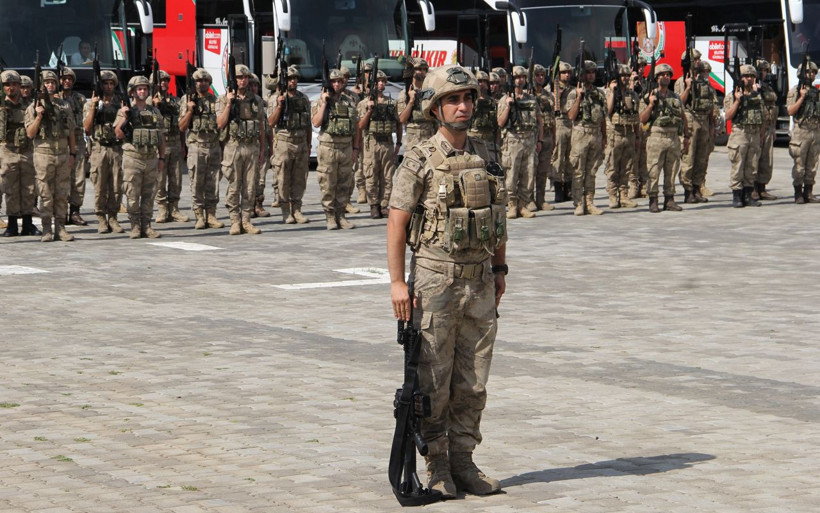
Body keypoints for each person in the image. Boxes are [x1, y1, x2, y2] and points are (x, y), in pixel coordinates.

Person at [387, 64, 507, 499]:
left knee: (473, 382)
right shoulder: (419, 159)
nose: (463, 106)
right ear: (435, 108)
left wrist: (499, 269)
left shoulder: (486, 154)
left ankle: (464, 462)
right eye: (453, 100)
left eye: (468, 98)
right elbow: (397, 222)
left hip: (479, 282)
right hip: (435, 281)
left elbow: (498, 218)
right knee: (433, 381)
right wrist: (397, 283)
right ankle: (437, 465)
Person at [25, 70, 76, 242]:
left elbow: (71, 131)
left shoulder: (64, 106)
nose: (50, 85)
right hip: (43, 154)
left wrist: (72, 153)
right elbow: (30, 133)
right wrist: (39, 116)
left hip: (62, 154)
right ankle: (46, 228)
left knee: (62, 193)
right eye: (46, 82)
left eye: (52, 82)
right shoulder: (33, 107)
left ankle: (60, 228)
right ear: (41, 86)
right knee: (45, 194)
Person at [217, 64, 267, 235]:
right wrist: (229, 104)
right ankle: (234, 221)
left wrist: (262, 150)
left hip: (252, 147)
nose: (243, 81)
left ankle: (246, 221)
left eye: (246, 78)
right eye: (239, 77)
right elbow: (220, 123)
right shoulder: (223, 99)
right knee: (234, 186)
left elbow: (261, 126)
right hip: (234, 147)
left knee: (250, 187)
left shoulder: (256, 100)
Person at [114, 75, 166, 238]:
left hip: (150, 157)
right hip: (133, 158)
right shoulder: (125, 111)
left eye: (144, 89)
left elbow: (161, 137)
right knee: (132, 194)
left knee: (149, 194)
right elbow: (118, 134)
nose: (142, 91)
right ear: (132, 92)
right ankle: (135, 226)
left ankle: (147, 226)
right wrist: (125, 117)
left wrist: (162, 158)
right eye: (139, 89)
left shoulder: (155, 111)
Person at [311, 68, 360, 230]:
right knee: (327, 183)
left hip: (346, 147)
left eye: (339, 81)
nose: (337, 84)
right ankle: (330, 216)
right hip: (328, 147)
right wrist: (325, 102)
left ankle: (341, 215)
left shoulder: (349, 102)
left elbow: (356, 127)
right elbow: (316, 122)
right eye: (333, 81)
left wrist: (355, 148)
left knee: (344, 183)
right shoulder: (320, 101)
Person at [639, 63, 690, 213]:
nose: (666, 77)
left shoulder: (675, 97)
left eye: (668, 75)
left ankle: (669, 199)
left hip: (673, 137)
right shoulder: (649, 96)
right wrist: (650, 105)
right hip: (656, 136)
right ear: (656, 78)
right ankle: (653, 199)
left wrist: (686, 136)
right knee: (653, 170)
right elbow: (642, 119)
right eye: (662, 75)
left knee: (672, 170)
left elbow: (683, 117)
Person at [178, 68, 224, 229]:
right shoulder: (187, 100)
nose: (202, 83)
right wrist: (190, 110)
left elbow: (221, 124)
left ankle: (211, 215)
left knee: (213, 183)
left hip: (214, 146)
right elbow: (182, 126)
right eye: (199, 81)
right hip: (196, 146)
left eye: (205, 81)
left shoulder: (216, 100)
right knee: (197, 182)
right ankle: (199, 216)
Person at [497, 65, 543, 219]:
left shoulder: (531, 99)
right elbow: (500, 122)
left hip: (529, 141)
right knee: (511, 176)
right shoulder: (505, 99)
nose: (520, 80)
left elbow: (539, 121)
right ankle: (512, 205)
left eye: (523, 77)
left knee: (528, 175)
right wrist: (508, 106)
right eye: (517, 77)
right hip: (513, 141)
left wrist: (539, 140)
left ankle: (523, 205)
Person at [267, 65, 311, 224]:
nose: (293, 81)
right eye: (289, 79)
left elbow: (308, 124)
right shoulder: (276, 98)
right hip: (284, 142)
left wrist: (308, 144)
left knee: (300, 179)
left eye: (295, 79)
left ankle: (297, 209)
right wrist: (280, 106)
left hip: (301, 142)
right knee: (283, 178)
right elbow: (271, 122)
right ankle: (286, 211)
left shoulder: (303, 99)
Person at [84, 69, 126, 234]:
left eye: (111, 83)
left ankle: (113, 217)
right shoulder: (91, 103)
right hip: (99, 148)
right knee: (100, 185)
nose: (108, 86)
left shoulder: (120, 102)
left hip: (116, 148)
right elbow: (87, 128)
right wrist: (94, 107)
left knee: (116, 185)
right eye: (105, 83)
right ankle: (101, 218)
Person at [357, 69, 401, 219]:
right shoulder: (364, 103)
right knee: (371, 175)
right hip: (371, 143)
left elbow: (398, 123)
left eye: (383, 81)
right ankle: (374, 205)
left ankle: (384, 205)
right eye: (378, 81)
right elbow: (361, 126)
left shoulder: (392, 103)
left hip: (387, 142)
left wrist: (398, 143)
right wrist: (369, 110)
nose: (381, 84)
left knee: (387, 176)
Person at [1, 70, 39, 237]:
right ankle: (12, 224)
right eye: (7, 85)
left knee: (29, 188)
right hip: (7, 150)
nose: (11, 87)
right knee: (11, 188)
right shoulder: (2, 106)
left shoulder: (29, 105)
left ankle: (28, 223)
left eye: (14, 84)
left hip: (27, 150)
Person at [676, 52, 717, 204]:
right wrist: (688, 88)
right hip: (690, 119)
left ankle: (697, 188)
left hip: (704, 120)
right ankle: (688, 191)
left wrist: (712, 124)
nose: (698, 61)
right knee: (689, 157)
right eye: (695, 59)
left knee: (701, 157)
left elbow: (710, 102)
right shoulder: (682, 81)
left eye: (699, 59)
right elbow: (679, 103)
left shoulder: (704, 81)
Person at [567, 60, 607, 215]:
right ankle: (579, 203)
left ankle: (589, 202)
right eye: (588, 72)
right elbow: (571, 116)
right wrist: (579, 98)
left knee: (592, 171)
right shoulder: (574, 93)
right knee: (578, 170)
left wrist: (604, 137)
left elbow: (603, 118)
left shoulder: (599, 94)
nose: (591, 75)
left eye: (593, 72)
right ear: (582, 75)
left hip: (595, 134)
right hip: (580, 134)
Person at [724, 65, 764, 208]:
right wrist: (737, 101)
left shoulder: (757, 95)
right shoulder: (732, 95)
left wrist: (761, 134)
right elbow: (728, 116)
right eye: (746, 76)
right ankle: (737, 196)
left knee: (752, 166)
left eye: (752, 76)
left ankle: (748, 195)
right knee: (738, 165)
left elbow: (763, 116)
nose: (749, 79)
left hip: (754, 133)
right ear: (740, 79)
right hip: (740, 133)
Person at [604, 64, 640, 209]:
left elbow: (636, 117)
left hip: (629, 133)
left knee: (626, 167)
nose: (625, 78)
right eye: (622, 76)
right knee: (612, 167)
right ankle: (613, 196)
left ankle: (624, 196)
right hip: (615, 133)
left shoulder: (633, 95)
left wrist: (637, 136)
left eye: (627, 76)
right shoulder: (610, 92)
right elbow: (608, 111)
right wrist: (613, 92)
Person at [58, 66, 89, 226]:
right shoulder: (55, 98)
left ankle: (75, 211)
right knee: (62, 179)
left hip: (77, 141)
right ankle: (61, 211)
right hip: (61, 142)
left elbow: (86, 121)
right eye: (64, 78)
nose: (67, 81)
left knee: (78, 178)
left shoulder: (80, 99)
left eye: (70, 79)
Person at [785, 60, 820, 203]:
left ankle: (809, 192)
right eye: (808, 72)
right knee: (799, 164)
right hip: (801, 131)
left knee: (812, 165)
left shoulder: (816, 92)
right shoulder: (795, 91)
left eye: (813, 72)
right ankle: (798, 193)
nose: (811, 75)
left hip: (815, 131)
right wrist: (802, 97)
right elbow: (790, 111)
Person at [398, 58, 436, 153]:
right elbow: (401, 119)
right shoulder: (405, 93)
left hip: (430, 136)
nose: (422, 72)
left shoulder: (431, 92)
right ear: (412, 71)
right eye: (418, 69)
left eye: (424, 69)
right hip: (413, 139)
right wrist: (411, 101)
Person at [753, 59, 779, 201]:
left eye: (765, 70)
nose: (763, 73)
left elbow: (773, 108)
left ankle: (762, 188)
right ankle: (753, 189)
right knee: (754, 159)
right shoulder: (749, 88)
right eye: (761, 70)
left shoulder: (767, 88)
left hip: (768, 127)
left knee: (766, 160)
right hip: (755, 129)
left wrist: (773, 128)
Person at [532, 63, 556, 211]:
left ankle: (541, 199)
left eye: (542, 75)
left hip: (547, 135)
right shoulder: (528, 95)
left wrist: (554, 137)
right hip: (532, 137)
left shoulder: (549, 95)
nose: (540, 78)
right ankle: (528, 199)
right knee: (530, 170)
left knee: (543, 170)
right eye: (537, 75)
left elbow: (553, 117)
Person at [551, 62, 574, 203]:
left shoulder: (573, 90)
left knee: (570, 158)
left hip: (570, 123)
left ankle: (568, 187)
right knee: (558, 158)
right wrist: (556, 94)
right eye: (564, 73)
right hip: (558, 123)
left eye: (569, 72)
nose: (567, 75)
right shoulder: (552, 89)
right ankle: (558, 188)